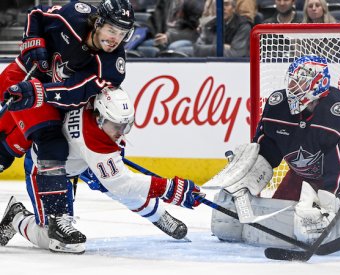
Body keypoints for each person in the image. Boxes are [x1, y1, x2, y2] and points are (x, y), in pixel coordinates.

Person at [0, 0, 135, 253]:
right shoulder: (75, 14)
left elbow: (76, 91)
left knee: (50, 142)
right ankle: (52, 217)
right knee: (11, 150)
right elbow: (37, 15)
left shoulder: (112, 66)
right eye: (111, 29)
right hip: (20, 80)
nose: (115, 38)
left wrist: (38, 90)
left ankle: (57, 218)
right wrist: (33, 41)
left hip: (44, 95)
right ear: (97, 22)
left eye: (122, 33)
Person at [0, 87, 202, 253]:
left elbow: (119, 184)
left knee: (116, 185)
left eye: (126, 126)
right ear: (99, 118)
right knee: (59, 241)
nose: (121, 133)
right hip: (46, 168)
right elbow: (123, 184)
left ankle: (159, 216)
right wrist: (170, 189)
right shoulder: (93, 140)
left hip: (78, 157)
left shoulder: (95, 109)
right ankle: (17, 217)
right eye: (116, 126)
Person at [209, 56, 340, 245]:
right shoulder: (277, 106)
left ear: (319, 84)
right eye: (292, 80)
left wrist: (329, 203)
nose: (292, 86)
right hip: (305, 175)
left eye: (300, 82)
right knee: (279, 222)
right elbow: (266, 153)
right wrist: (245, 177)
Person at [171, 0, 252, 57]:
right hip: (210, 62)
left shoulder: (243, 25)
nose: (222, 7)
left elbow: (236, 54)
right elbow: (198, 48)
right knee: (178, 51)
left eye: (226, 4)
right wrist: (221, 47)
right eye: (219, 4)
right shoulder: (210, 24)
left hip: (235, 67)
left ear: (234, 8)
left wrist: (210, 49)